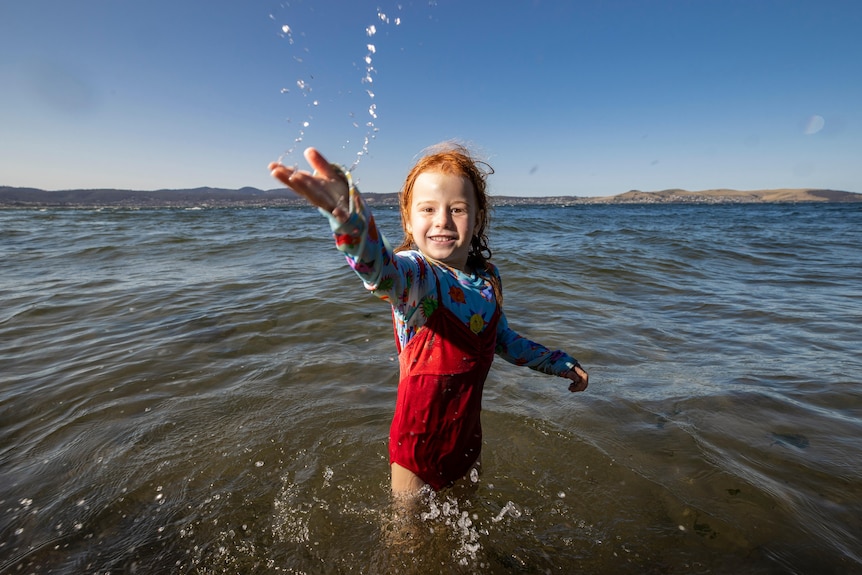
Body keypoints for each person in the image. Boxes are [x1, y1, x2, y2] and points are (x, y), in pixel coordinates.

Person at [269, 144, 588, 498]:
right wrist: (348, 216)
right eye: (428, 209)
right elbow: (377, 268)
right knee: (408, 545)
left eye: (457, 209)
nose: (442, 220)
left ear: (478, 218)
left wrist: (559, 363)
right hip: (416, 450)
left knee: (471, 527)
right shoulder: (416, 277)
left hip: (468, 444)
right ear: (407, 219)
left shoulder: (487, 280)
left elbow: (503, 339)